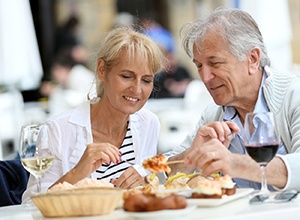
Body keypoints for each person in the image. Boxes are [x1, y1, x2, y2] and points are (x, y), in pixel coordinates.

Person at [22, 26, 166, 203]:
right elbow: (31, 206)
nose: (137, 89)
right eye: (127, 76)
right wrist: (77, 172)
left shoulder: (149, 123)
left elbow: (149, 184)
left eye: (146, 80)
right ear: (102, 70)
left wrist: (145, 180)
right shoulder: (58, 130)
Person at [166, 7, 300, 191]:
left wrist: (236, 164)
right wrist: (192, 154)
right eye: (199, 66)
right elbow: (166, 173)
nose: (205, 77)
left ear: (252, 59)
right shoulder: (213, 115)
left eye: (215, 63)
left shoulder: (294, 95)